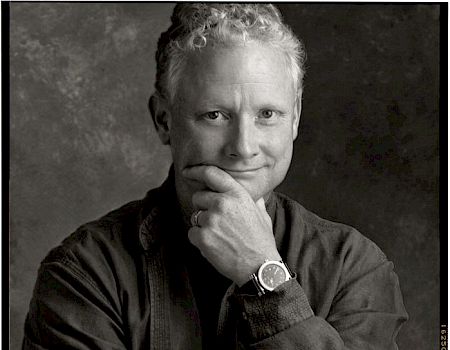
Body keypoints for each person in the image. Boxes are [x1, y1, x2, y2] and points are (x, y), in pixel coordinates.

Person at [22, 4, 408, 349]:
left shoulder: (354, 268)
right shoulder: (85, 272)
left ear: (296, 117)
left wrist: (260, 273)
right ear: (163, 120)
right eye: (214, 115)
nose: (243, 146)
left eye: (267, 114)